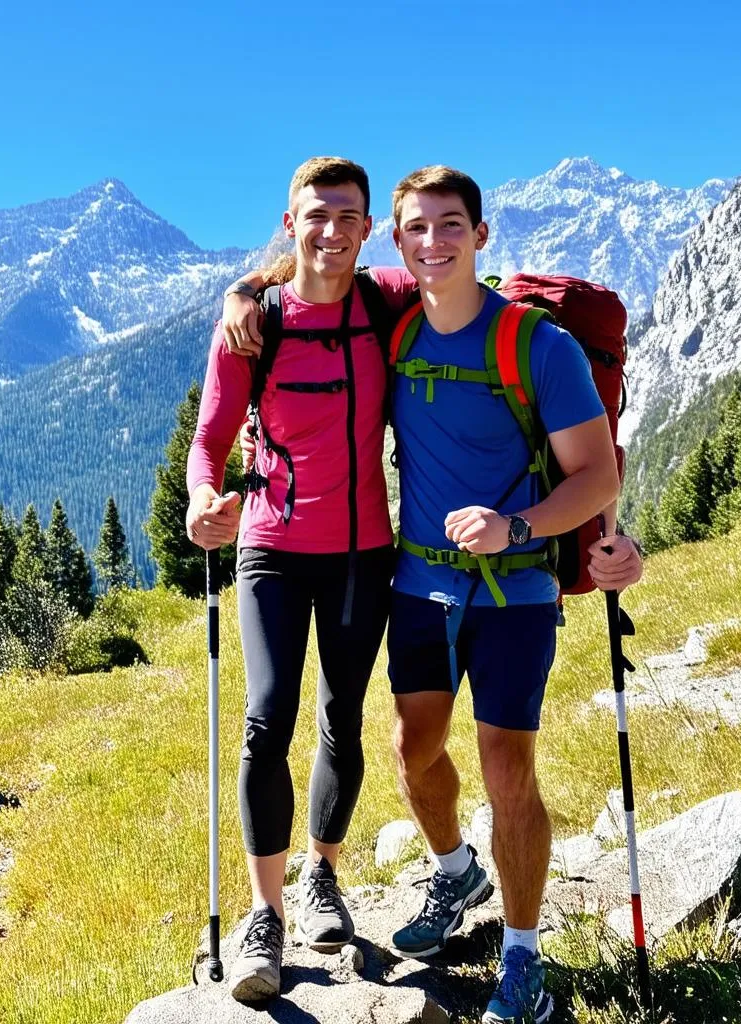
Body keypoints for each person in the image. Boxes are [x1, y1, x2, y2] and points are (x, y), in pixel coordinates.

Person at [221, 164, 639, 1023]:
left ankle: (523, 963)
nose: (434, 242)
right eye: (417, 229)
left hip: (515, 589)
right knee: (415, 753)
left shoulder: (538, 346)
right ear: (397, 241)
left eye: (452, 227)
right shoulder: (395, 323)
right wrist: (243, 286)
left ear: (481, 238)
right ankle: (455, 873)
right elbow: (312, 266)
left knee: (505, 767)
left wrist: (530, 530)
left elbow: (597, 473)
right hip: (416, 583)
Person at [185, 156, 414, 1003]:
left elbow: (454, 276)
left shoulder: (387, 300)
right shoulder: (254, 324)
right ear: (292, 224)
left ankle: (323, 874)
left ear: (367, 228)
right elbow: (209, 441)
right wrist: (202, 499)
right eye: (316, 215)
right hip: (273, 546)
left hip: (362, 553)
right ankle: (265, 913)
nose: (332, 229)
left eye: (348, 216)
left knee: (342, 718)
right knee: (266, 715)